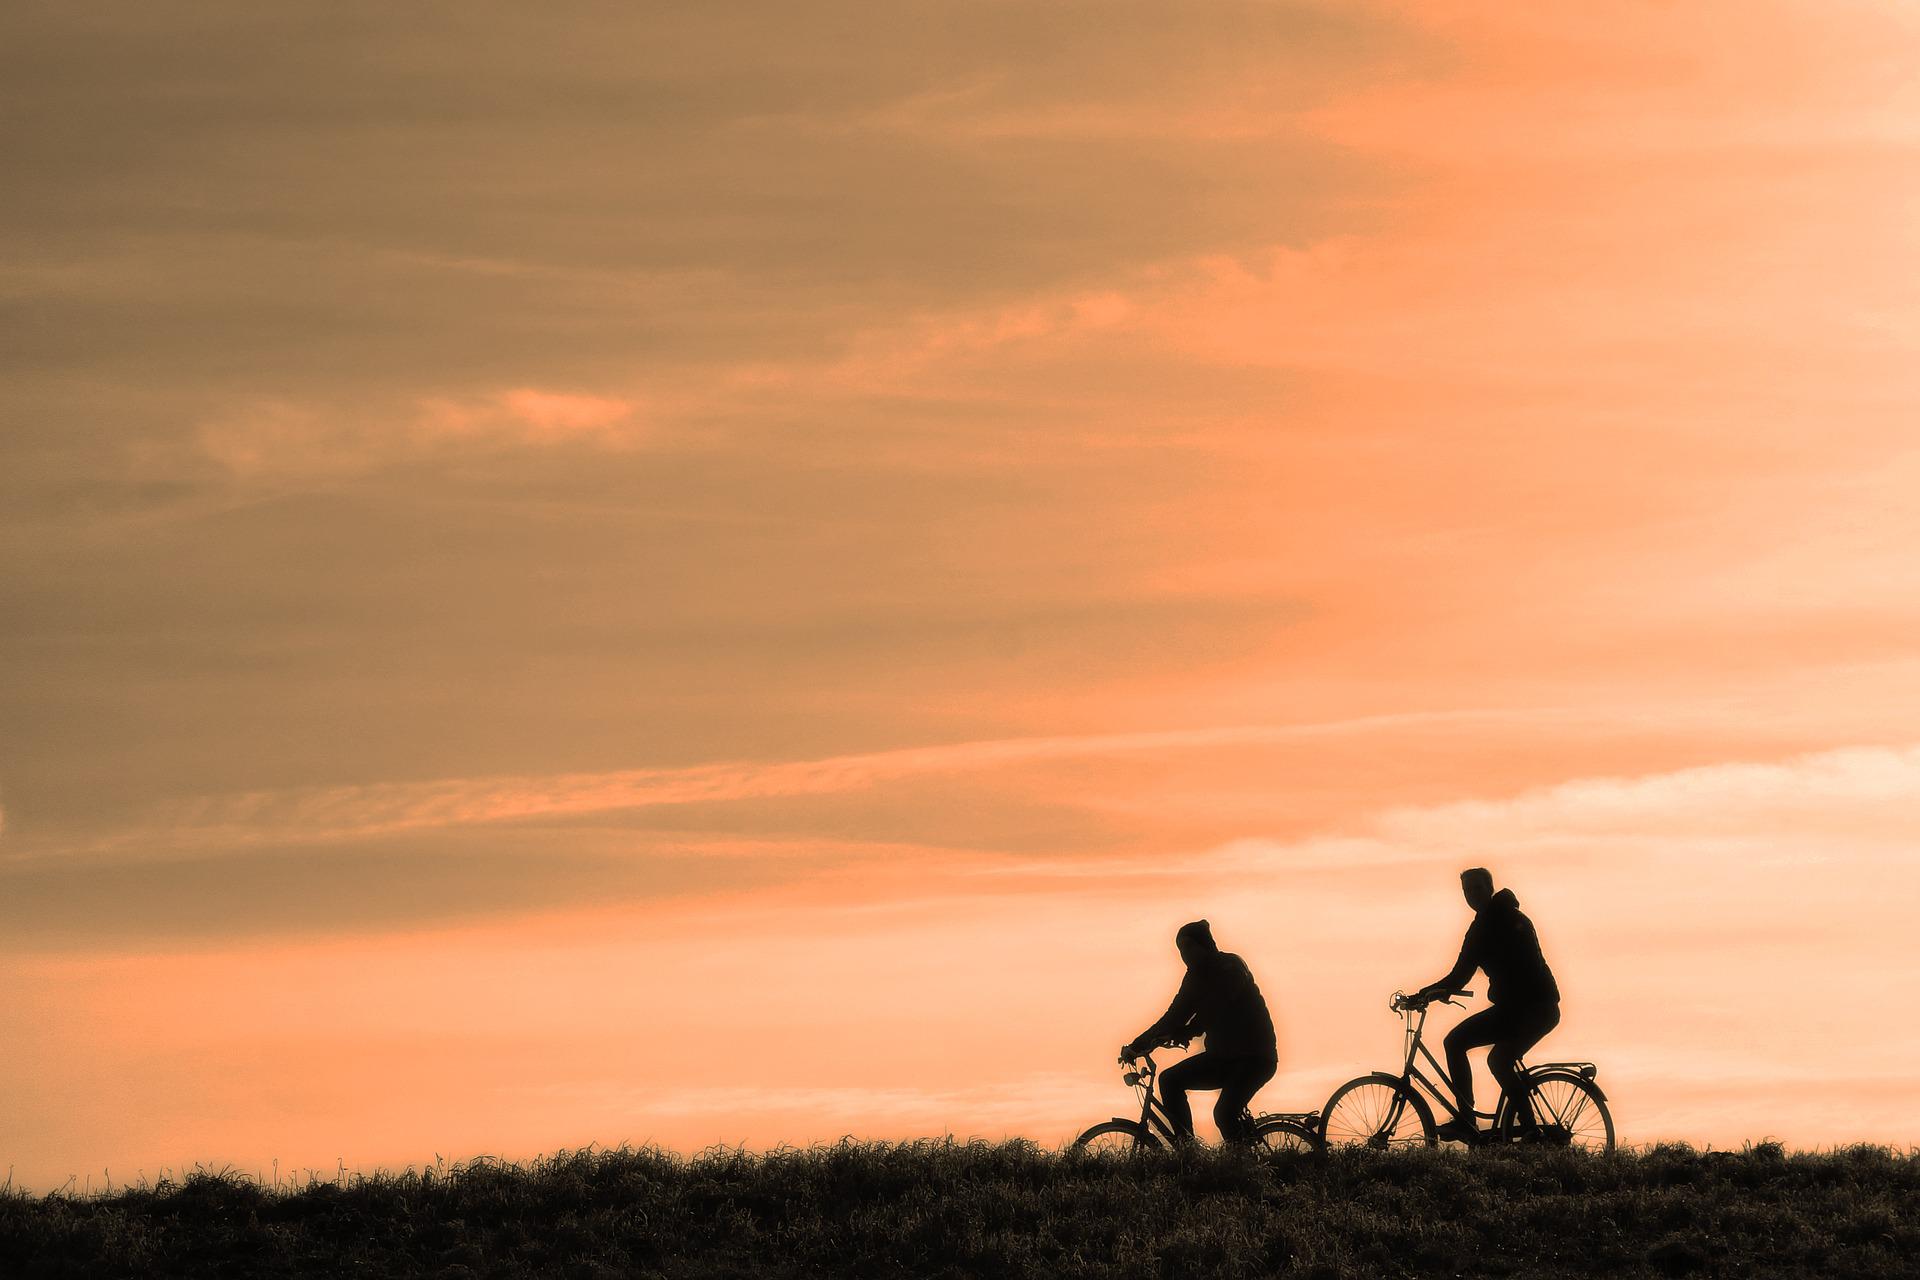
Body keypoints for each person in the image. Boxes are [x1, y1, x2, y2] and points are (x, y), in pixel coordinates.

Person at [1410, 867, 1561, 1142]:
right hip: (1517, 1009)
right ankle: (1475, 1121)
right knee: (1466, 1046)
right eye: (1467, 891)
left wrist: (1430, 992)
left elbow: (1464, 975)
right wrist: (1430, 992)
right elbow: (1461, 974)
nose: (1472, 895)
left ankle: (1526, 1129)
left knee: (1490, 1056)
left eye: (1477, 889)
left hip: (1535, 1008)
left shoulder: (1503, 922)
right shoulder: (1487, 924)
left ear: (1489, 888)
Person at [1121, 919, 1277, 1145]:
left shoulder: (1231, 966)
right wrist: (1138, 1045)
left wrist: (1186, 1032)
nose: (1184, 954)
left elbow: (1218, 1007)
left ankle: (1245, 1167)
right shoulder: (1194, 977)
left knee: (1224, 1113)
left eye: (1188, 947)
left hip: (1255, 1058)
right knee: (1170, 1080)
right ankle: (1188, 1151)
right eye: (1180, 950)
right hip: (1223, 1057)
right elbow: (1173, 1016)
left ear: (1205, 944)